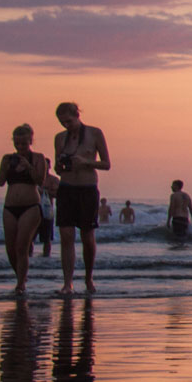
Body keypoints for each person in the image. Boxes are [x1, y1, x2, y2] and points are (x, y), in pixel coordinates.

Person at [52, 102, 110, 294]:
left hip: (87, 188)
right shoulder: (60, 138)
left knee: (87, 236)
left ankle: (88, 278)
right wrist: (60, 166)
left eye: (68, 121)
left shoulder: (94, 133)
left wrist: (85, 162)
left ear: (77, 115)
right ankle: (67, 282)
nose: (65, 125)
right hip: (67, 188)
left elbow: (106, 164)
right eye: (62, 122)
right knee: (66, 236)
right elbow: (57, 168)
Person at [0, 124, 51, 293]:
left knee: (22, 246)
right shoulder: (7, 159)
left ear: (30, 141)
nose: (20, 147)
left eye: (24, 144)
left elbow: (39, 180)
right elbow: (0, 182)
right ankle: (21, 275)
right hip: (10, 206)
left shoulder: (38, 158)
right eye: (17, 144)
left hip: (30, 206)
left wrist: (28, 165)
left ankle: (20, 284)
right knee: (10, 248)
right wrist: (5, 168)